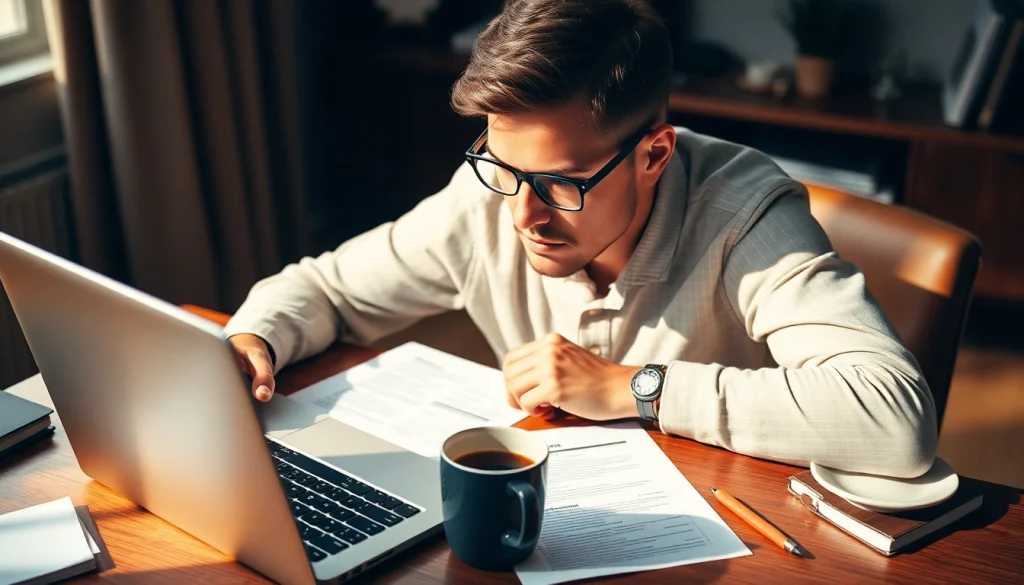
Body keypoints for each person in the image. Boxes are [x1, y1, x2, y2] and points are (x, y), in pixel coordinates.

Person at [225, 0, 936, 478]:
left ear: (654, 155)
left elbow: (895, 416)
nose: (522, 216)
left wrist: (637, 389)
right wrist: (257, 336)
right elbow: (324, 289)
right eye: (504, 168)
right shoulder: (491, 192)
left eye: (561, 184)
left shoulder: (748, 216)